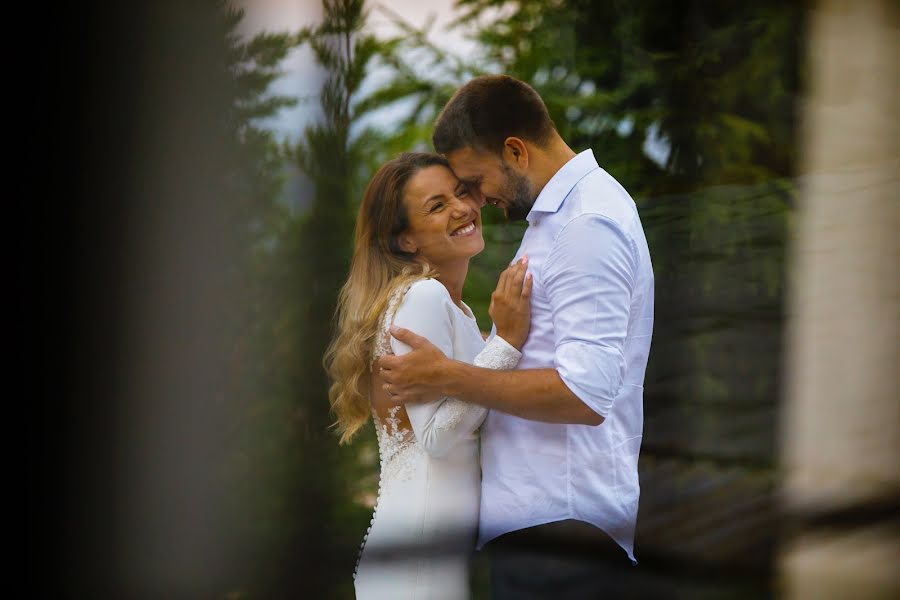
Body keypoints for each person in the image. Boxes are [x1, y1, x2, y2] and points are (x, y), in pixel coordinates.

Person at [378, 75, 655, 599]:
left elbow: (585, 393)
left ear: (515, 151)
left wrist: (447, 376)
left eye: (475, 180)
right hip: (544, 530)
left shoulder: (586, 224)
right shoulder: (555, 222)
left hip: (563, 530)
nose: (478, 199)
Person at [323, 152, 533, 600]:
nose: (461, 209)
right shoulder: (423, 296)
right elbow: (436, 436)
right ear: (405, 240)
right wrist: (506, 344)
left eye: (460, 193)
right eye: (435, 206)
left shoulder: (451, 306)